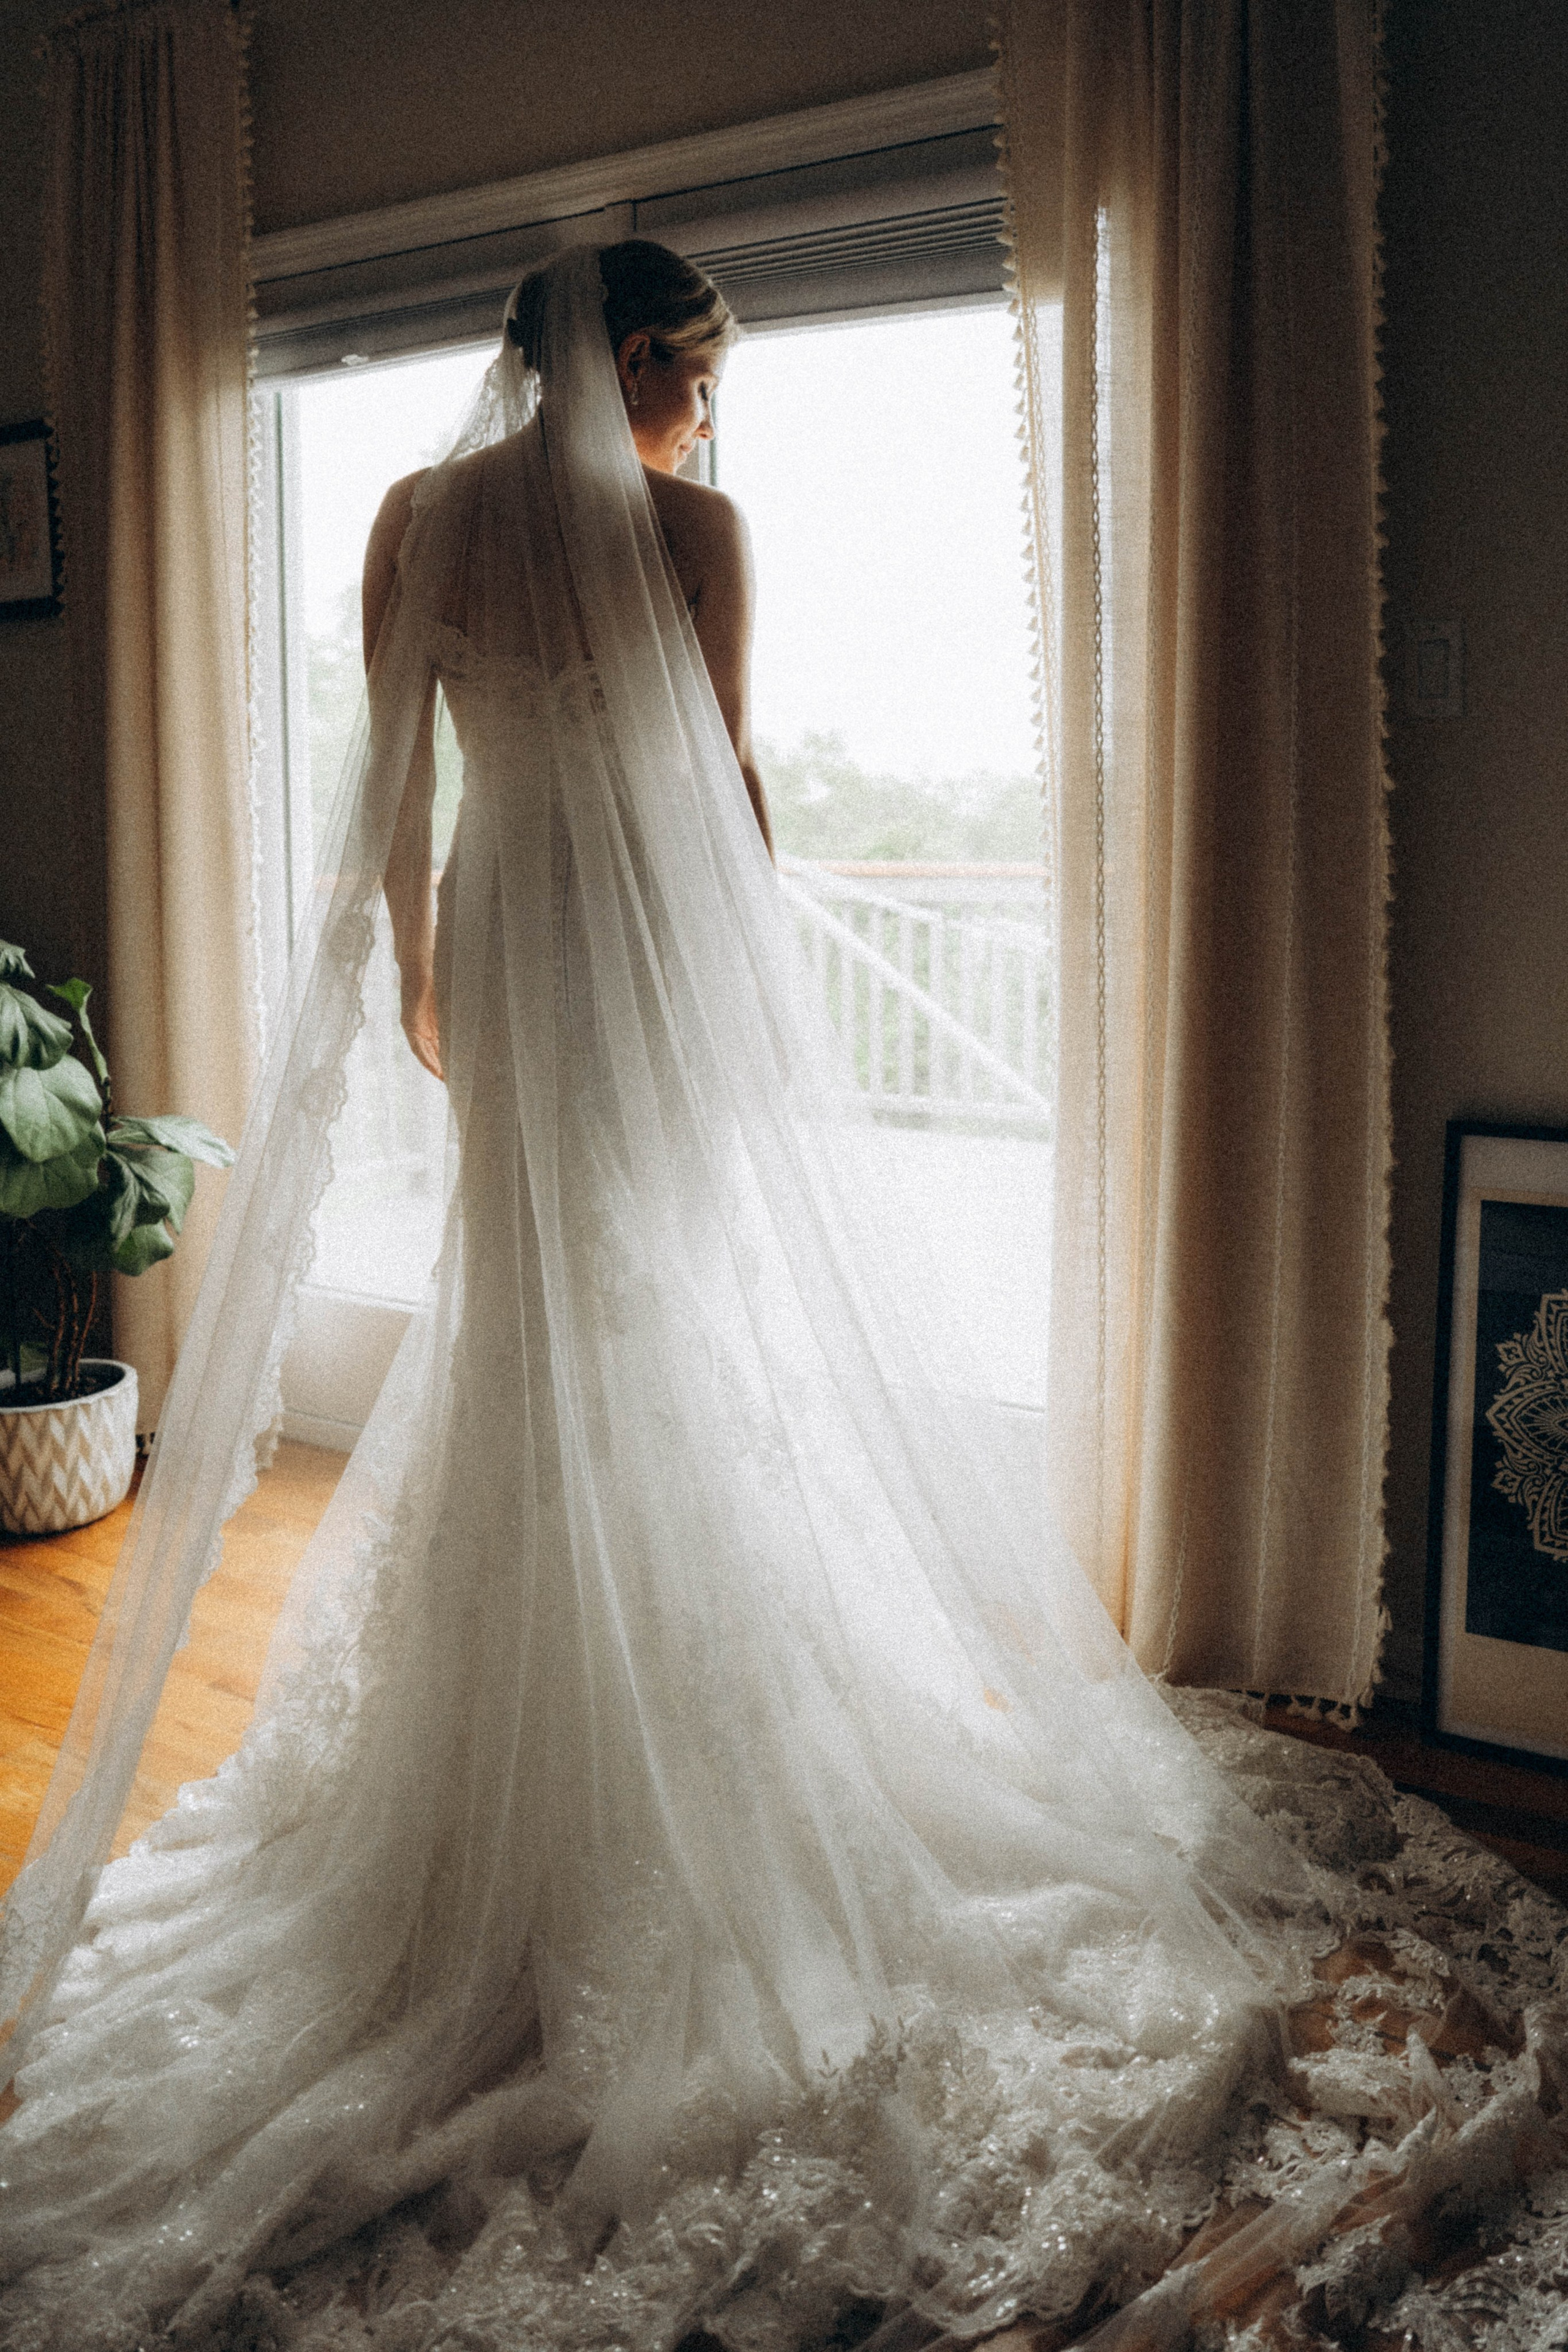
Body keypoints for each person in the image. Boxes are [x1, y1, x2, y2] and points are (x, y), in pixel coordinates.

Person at [0, 243, 1360, 2351]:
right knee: (637, 1296)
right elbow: (728, 794)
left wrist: (427, 975)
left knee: (547, 1297)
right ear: (629, 368)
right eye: (693, 382)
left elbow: (402, 801)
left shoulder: (411, 523)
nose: (704, 423)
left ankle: (566, 1653)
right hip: (630, 954)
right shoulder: (698, 533)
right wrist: (742, 1008)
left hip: (524, 942)